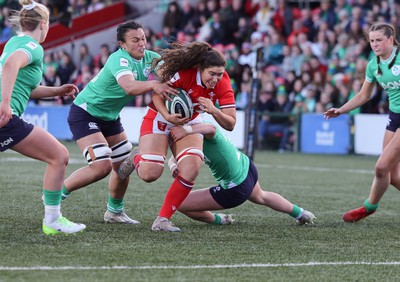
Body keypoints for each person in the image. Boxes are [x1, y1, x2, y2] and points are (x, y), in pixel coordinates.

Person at [62, 20, 177, 225]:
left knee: (123, 167)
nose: (142, 43)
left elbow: (172, 77)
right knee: (101, 167)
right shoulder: (119, 59)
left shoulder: (151, 58)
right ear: (122, 44)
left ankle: (114, 212)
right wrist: (153, 84)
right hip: (85, 113)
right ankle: (54, 195)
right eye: (135, 40)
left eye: (143, 38)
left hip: (110, 118)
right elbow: (129, 87)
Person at [119, 42, 236, 231]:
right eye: (212, 74)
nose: (216, 79)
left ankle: (162, 220)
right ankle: (137, 157)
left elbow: (230, 123)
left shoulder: (223, 83)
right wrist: (167, 116)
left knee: (192, 167)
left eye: (220, 74)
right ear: (200, 68)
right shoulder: (184, 74)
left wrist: (214, 110)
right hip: (160, 115)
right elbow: (158, 94)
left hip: (189, 122)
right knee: (150, 174)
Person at [0, 0, 85, 235]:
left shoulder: (14, 42)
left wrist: (56, 91)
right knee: (59, 156)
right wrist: (5, 103)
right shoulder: (33, 46)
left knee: (58, 156)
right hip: (4, 118)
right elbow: (9, 66)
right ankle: (53, 220)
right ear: (44, 24)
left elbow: (24, 85)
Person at [167, 122, 315, 227]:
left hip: (235, 186)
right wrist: (173, 164)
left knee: (179, 203)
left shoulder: (197, 129)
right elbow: (174, 157)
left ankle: (220, 220)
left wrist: (186, 129)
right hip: (247, 167)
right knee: (261, 196)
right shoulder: (194, 129)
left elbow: (210, 128)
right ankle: (301, 213)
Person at [324, 22, 400, 222]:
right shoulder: (373, 64)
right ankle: (370, 207)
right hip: (395, 116)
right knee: (390, 174)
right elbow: (364, 95)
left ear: (391, 40)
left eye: (379, 40)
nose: (374, 44)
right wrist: (340, 110)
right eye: (371, 40)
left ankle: (369, 207)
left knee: (380, 166)